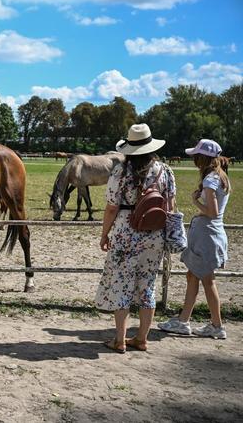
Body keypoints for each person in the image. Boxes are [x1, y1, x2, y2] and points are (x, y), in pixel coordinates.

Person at [96, 123, 176, 353]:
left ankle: (119, 339)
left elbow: (112, 208)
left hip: (125, 232)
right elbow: (169, 206)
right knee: (147, 286)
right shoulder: (165, 171)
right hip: (154, 234)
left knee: (122, 284)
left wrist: (104, 234)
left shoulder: (120, 172)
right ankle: (141, 338)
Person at [158, 140, 230, 339]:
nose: (194, 160)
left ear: (203, 158)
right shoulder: (221, 177)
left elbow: (213, 212)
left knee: (207, 280)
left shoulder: (210, 180)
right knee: (194, 277)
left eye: (196, 156)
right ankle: (184, 320)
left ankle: (216, 325)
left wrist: (194, 201)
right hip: (209, 235)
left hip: (207, 235)